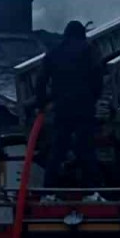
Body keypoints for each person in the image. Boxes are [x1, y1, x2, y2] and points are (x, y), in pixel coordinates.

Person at [37, 21, 103, 188]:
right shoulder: (89, 50)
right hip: (84, 108)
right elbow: (98, 77)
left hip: (62, 108)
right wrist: (94, 98)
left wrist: (42, 103)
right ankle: (91, 191)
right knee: (86, 149)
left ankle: (49, 191)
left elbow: (41, 80)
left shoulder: (54, 52)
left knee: (57, 150)